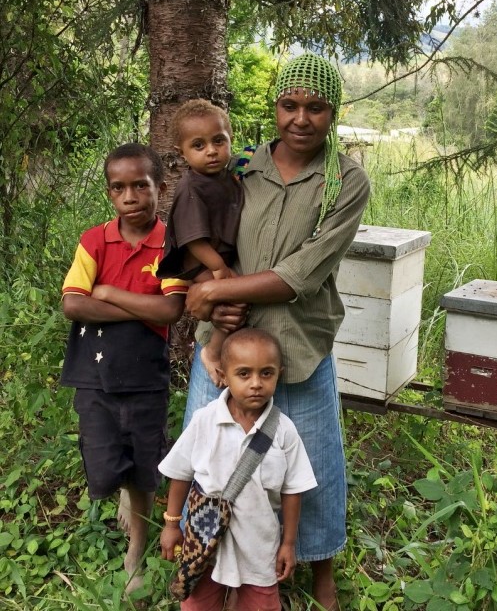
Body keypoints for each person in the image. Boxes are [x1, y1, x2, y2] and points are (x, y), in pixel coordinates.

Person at [182, 52, 371, 610]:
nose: (301, 119)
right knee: (211, 457)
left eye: (316, 107)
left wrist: (218, 292)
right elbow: (206, 237)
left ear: (334, 113)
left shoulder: (346, 183)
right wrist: (212, 299)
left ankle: (320, 571)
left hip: (299, 341)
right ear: (274, 106)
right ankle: (210, 565)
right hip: (226, 344)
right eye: (290, 105)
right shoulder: (239, 168)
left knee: (313, 460)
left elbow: (301, 274)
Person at [60, 143, 188, 595]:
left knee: (144, 458)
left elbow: (171, 310)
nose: (130, 196)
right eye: (119, 188)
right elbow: (73, 302)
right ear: (110, 193)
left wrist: (110, 293)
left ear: (161, 188)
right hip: (93, 372)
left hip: (144, 375)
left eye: (140, 186)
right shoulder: (94, 240)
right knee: (103, 451)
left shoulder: (171, 243)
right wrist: (142, 307)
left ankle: (137, 546)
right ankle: (122, 498)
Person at [159, 327, 317, 611]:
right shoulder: (205, 421)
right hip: (204, 543)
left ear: (279, 373)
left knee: (260, 604)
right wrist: (172, 524)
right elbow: (180, 472)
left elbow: (294, 489)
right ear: (223, 373)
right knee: (198, 604)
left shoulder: (283, 431)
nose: (255, 383)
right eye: (244, 374)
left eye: (266, 373)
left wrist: (288, 543)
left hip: (259, 545)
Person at [156, 99, 243, 386]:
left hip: (215, 255)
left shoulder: (225, 176)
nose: (211, 151)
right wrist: (218, 270)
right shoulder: (192, 186)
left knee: (231, 297)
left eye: (219, 141)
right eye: (199, 145)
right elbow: (194, 240)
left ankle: (216, 332)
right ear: (182, 153)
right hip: (199, 261)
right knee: (233, 297)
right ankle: (212, 351)